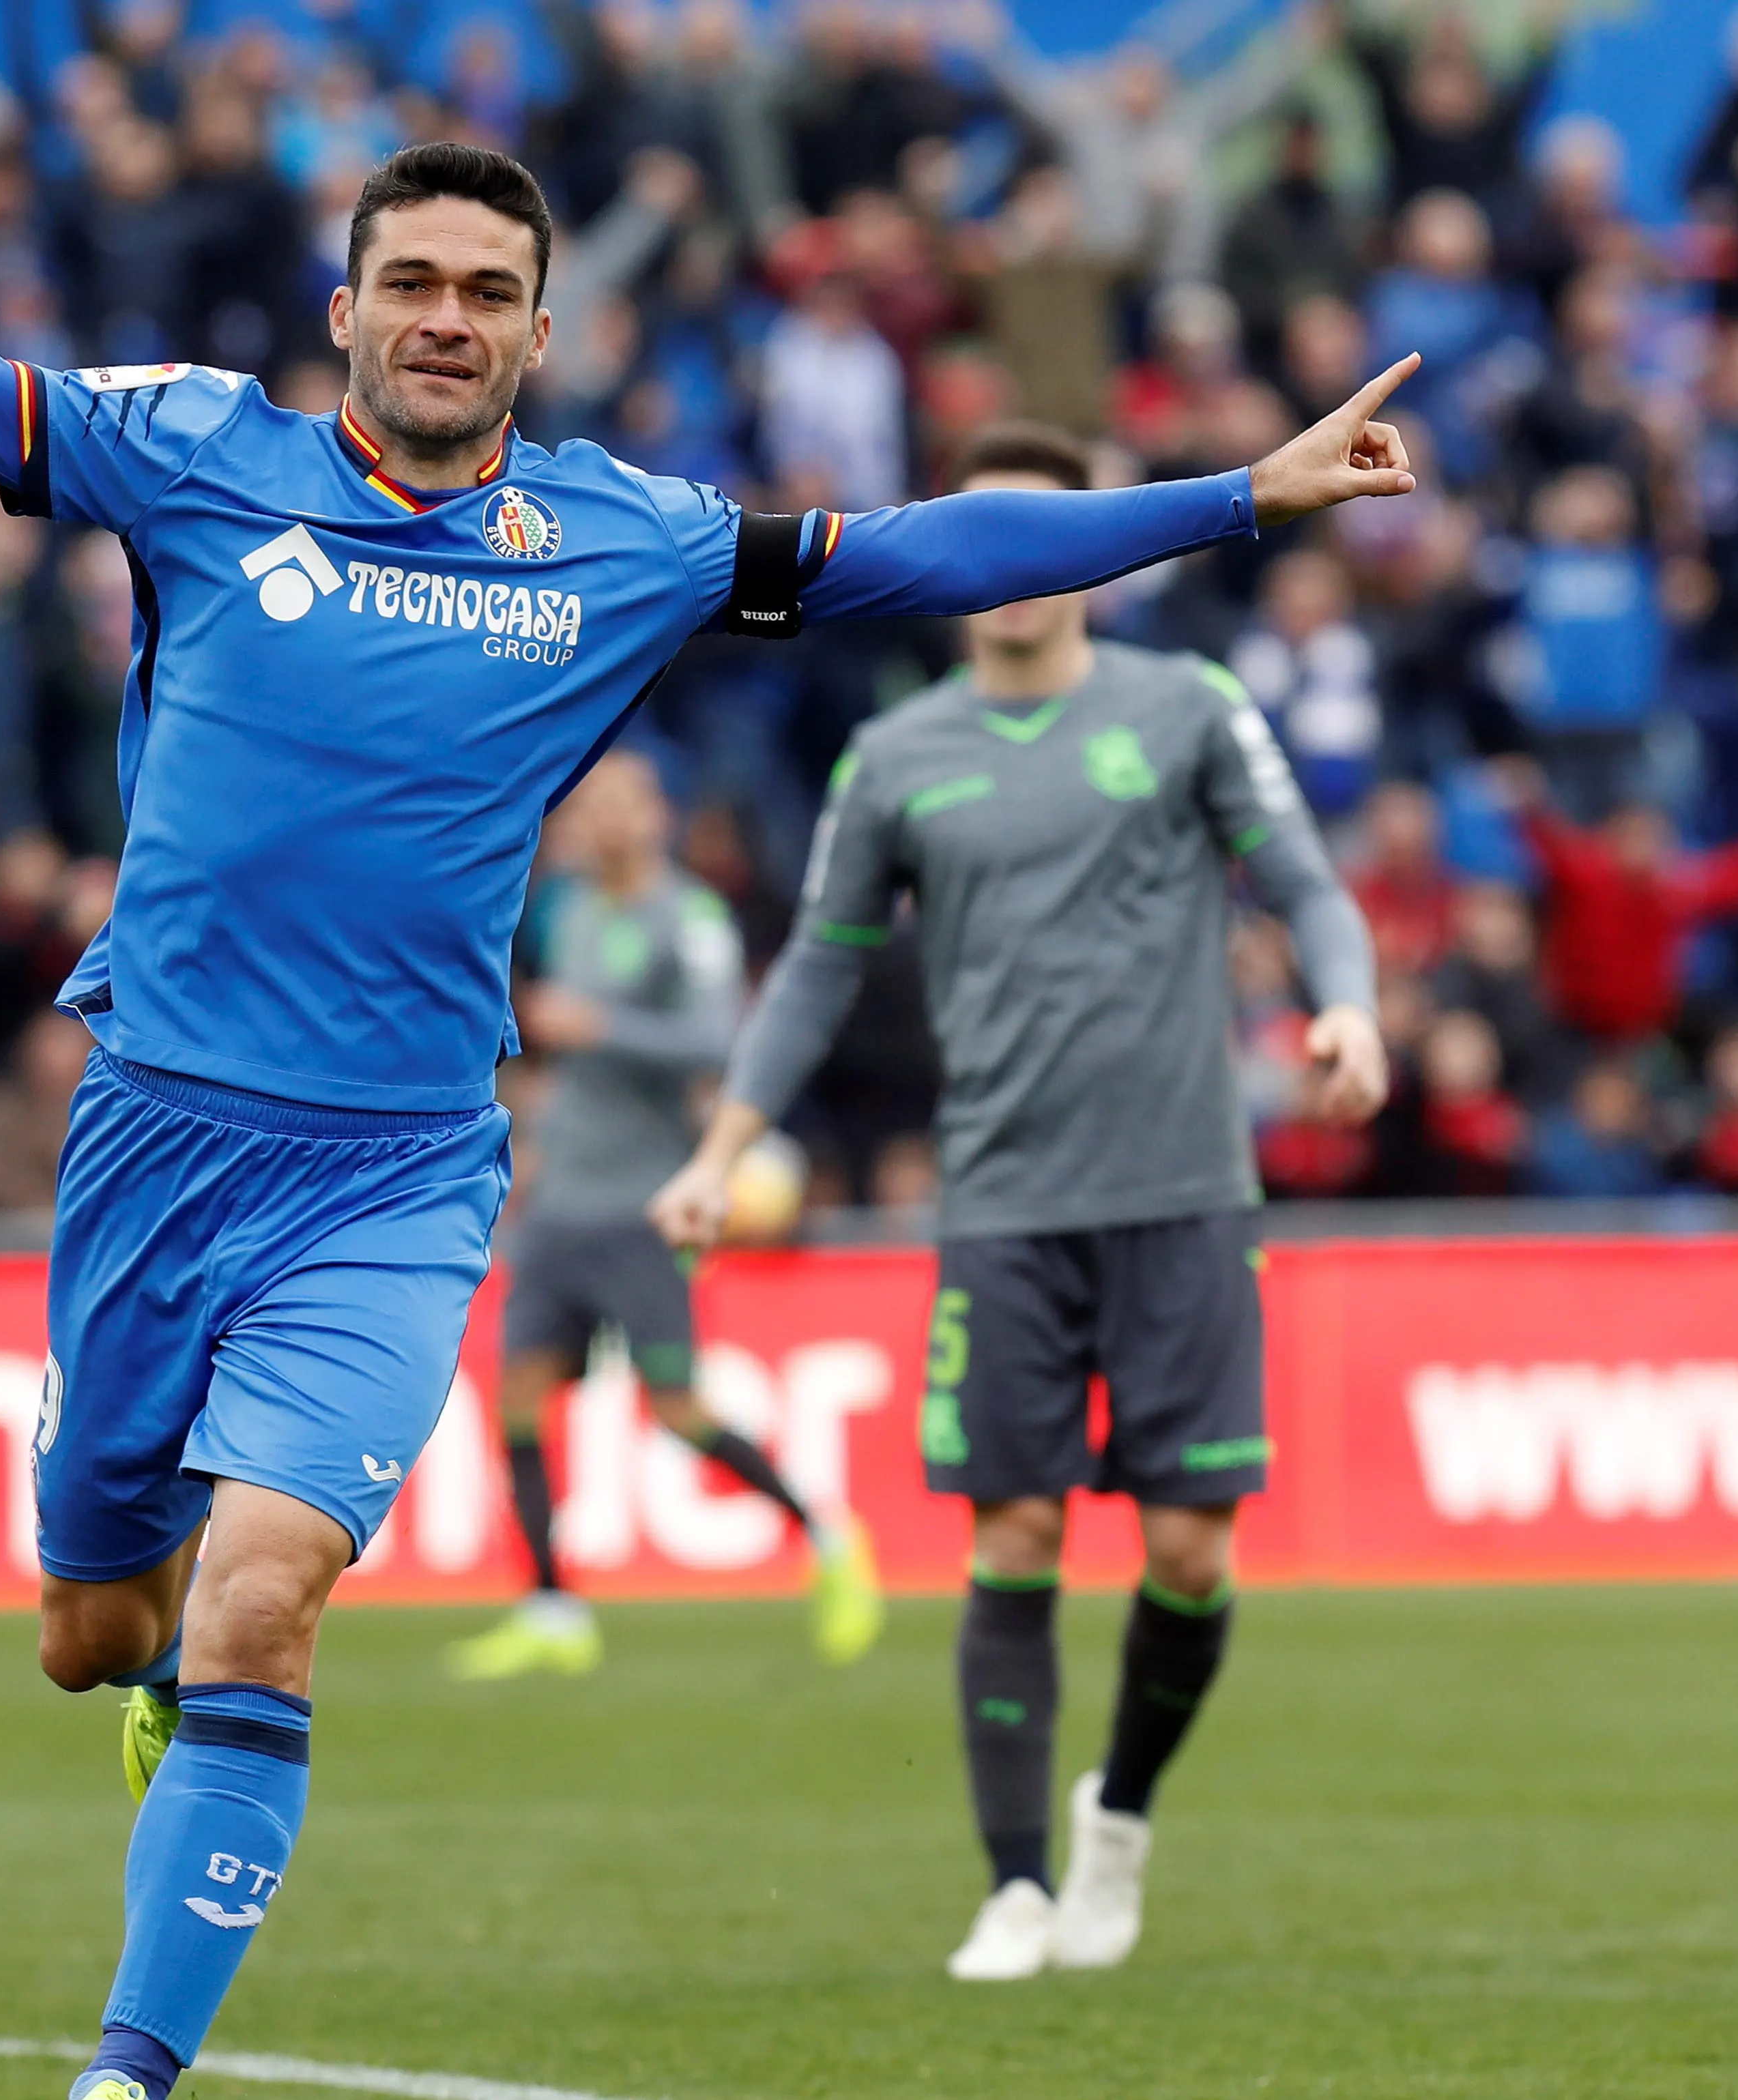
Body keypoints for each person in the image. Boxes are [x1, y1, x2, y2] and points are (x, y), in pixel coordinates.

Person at [0, 14, 1416, 2095]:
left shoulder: (624, 542)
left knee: (263, 1596)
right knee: (99, 1630)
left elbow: (919, 553)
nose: (449, 319)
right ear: (347, 307)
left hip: (398, 1173)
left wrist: (1245, 492)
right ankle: (144, 1675)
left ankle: (123, 2072)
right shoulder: (193, 452)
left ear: (537, 336)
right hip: (154, 1135)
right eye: (414, 283)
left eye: (491, 295)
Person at [650, 421, 1389, 1984]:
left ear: (1095, 555)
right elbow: (816, 972)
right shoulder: (896, 761)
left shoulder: (1186, 709)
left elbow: (1307, 883)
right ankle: (1014, 1885)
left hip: (1185, 1188)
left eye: (1046, 537)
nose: (1016, 575)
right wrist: (723, 1151)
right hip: (1004, 1200)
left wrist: (1349, 1007)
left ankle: (1117, 1814)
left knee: (1190, 1553)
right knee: (1018, 1530)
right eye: (988, 541)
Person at [448, 750, 880, 1682]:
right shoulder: (568, 909)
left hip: (646, 1204)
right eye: (593, 804)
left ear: (660, 817)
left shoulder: (689, 919)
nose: (605, 820)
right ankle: (553, 1605)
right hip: (565, 1200)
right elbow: (552, 1044)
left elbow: (717, 1038)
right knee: (517, 1397)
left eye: (624, 804)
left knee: (678, 1410)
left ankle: (828, 1536)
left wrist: (600, 1026)